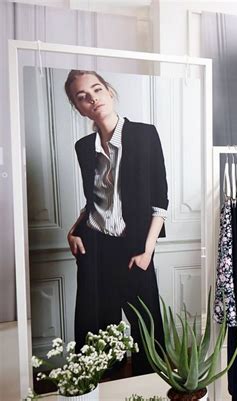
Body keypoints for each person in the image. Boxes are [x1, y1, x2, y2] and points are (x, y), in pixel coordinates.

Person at [64, 70, 168, 376]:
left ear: (109, 92)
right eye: (82, 96)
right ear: (78, 107)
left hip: (135, 248)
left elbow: (160, 201)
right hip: (93, 247)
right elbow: (93, 201)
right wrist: (72, 231)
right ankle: (101, 388)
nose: (92, 99)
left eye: (97, 90)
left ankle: (150, 389)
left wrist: (147, 250)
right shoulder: (84, 147)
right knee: (94, 330)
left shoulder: (144, 135)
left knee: (147, 329)